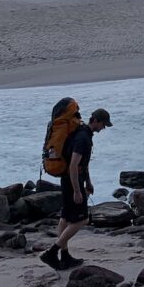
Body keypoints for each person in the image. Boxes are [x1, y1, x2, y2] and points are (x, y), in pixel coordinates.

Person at [41, 107, 112, 270]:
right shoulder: (83, 138)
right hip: (72, 180)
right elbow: (74, 165)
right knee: (82, 219)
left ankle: (65, 257)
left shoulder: (81, 132)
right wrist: (78, 191)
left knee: (65, 217)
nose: (104, 128)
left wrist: (88, 182)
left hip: (67, 179)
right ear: (96, 121)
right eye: (103, 125)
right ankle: (52, 253)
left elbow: (83, 164)